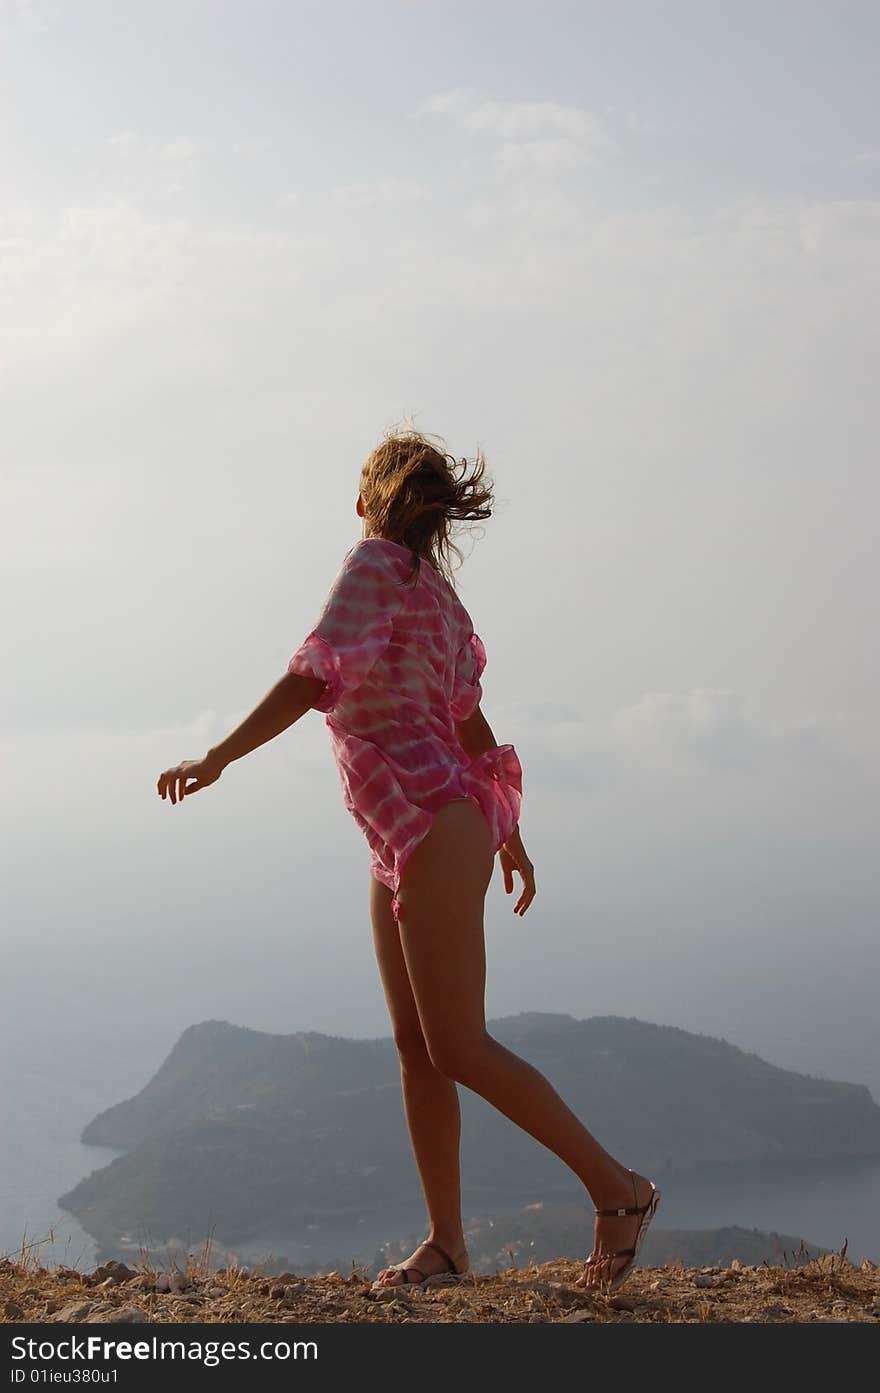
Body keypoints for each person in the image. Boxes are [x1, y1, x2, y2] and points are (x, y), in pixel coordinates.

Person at [156, 427, 660, 1293]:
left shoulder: (373, 567)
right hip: (416, 828)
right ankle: (448, 1245)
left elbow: (316, 675)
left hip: (430, 822)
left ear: (368, 501)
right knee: (417, 1046)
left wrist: (220, 755)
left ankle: (619, 1189)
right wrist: (512, 835)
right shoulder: (440, 598)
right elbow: (468, 724)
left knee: (457, 1043)